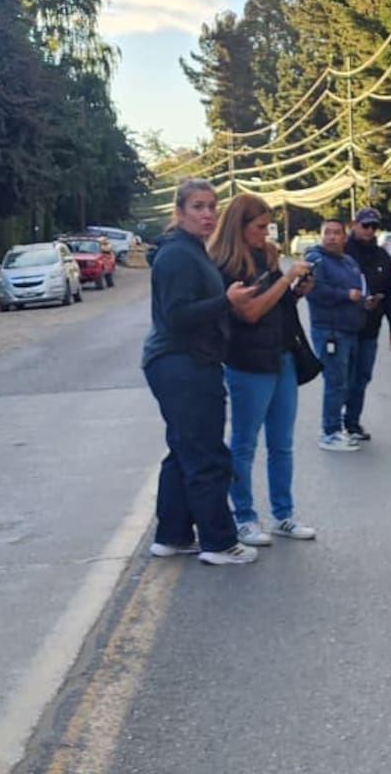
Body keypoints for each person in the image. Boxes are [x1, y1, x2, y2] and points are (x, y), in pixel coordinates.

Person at [141, 178, 260, 565]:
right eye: (197, 207)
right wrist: (224, 302)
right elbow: (176, 317)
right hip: (183, 362)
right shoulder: (177, 255)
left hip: (187, 361)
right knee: (206, 454)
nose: (207, 214)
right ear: (178, 212)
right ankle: (219, 542)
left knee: (184, 450)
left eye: (211, 206)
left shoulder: (191, 250)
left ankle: (172, 535)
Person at [207, 194, 318, 546]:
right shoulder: (225, 265)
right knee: (243, 443)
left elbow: (276, 308)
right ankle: (244, 517)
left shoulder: (267, 255)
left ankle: (283, 514)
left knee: (282, 443)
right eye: (258, 227)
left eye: (267, 226)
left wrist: (297, 291)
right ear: (239, 226)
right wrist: (285, 281)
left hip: (282, 355)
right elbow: (250, 313)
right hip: (248, 363)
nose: (264, 233)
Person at [304, 217, 367, 452]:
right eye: (327, 232)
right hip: (330, 331)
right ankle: (329, 432)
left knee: (347, 383)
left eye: (336, 232)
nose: (331, 237)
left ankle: (339, 428)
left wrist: (362, 300)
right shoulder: (316, 260)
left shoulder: (349, 261)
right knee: (335, 383)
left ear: (344, 236)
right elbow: (314, 291)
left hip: (351, 330)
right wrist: (345, 295)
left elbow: (357, 288)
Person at [343, 206, 391, 441]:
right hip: (344, 326)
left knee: (362, 376)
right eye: (365, 225)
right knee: (344, 377)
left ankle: (352, 422)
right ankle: (334, 422)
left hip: (370, 327)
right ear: (354, 224)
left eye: (374, 227)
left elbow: (390, 292)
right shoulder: (343, 253)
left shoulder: (381, 256)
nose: (369, 231)